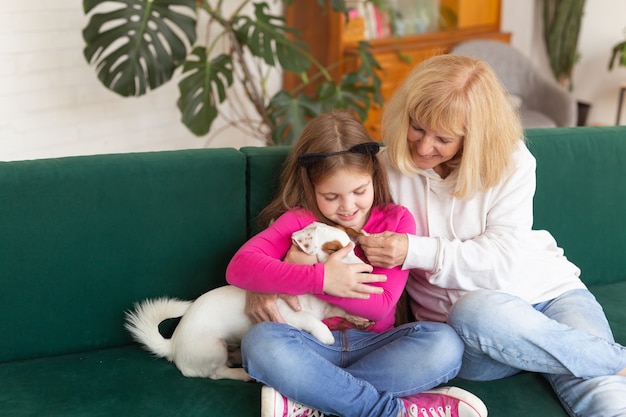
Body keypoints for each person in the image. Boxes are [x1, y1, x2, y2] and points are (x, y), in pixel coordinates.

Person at [356, 54, 626, 417]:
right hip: (469, 334)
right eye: (417, 127)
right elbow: (322, 214)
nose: (422, 147)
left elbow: (499, 265)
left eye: (443, 138)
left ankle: (561, 356)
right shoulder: (387, 170)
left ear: (473, 138)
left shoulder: (512, 163)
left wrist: (413, 250)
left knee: (609, 399)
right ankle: (603, 358)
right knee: (476, 310)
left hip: (549, 297)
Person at [225, 110, 488, 417]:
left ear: (374, 178)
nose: (348, 206)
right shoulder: (299, 219)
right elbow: (239, 268)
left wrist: (322, 281)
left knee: (444, 343)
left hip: (376, 346)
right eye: (331, 196)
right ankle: (390, 411)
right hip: (308, 344)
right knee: (260, 342)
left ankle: (313, 401)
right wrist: (319, 278)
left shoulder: (395, 221)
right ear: (311, 188)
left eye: (359, 191)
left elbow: (380, 305)